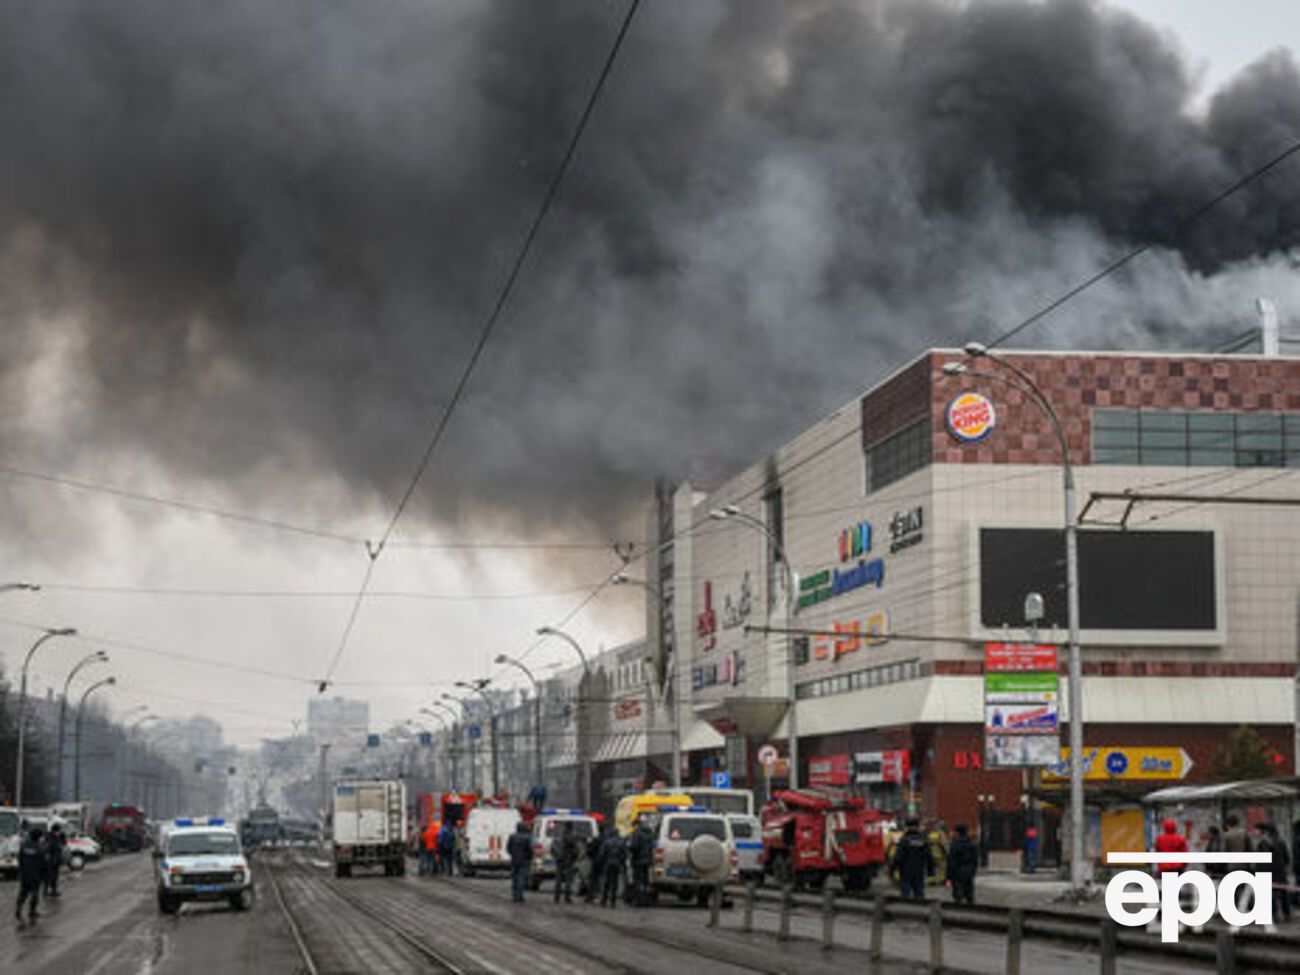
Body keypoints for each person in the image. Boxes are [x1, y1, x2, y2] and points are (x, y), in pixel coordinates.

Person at [1257, 822, 1291, 923]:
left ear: (1265, 832)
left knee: (1270, 895)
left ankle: (1274, 915)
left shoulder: (1263, 843)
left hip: (1268, 872)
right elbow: (1286, 858)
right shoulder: (1281, 842)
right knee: (1283, 893)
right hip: (1280, 871)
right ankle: (1286, 914)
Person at [892, 819, 931, 901]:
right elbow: (929, 856)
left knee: (906, 893)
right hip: (919, 870)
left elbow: (899, 856)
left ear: (907, 827)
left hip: (906, 871)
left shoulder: (904, 840)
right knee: (919, 892)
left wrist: (893, 868)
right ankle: (920, 910)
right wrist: (931, 870)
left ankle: (906, 910)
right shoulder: (923, 840)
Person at [15, 827, 46, 924]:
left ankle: (18, 910)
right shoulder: (40, 848)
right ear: (38, 837)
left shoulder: (24, 846)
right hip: (35, 875)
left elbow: (19, 859)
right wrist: (44, 876)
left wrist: (21, 871)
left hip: (25, 874)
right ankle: (32, 911)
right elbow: (43, 864)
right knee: (34, 894)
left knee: (23, 893)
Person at [946, 824, 978, 905]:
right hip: (968, 871)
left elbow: (951, 861)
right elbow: (975, 859)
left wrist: (949, 876)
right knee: (969, 892)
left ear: (957, 833)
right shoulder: (971, 844)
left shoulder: (955, 844)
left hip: (957, 872)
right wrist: (973, 871)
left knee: (958, 894)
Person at [506, 820, 533, 903]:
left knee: (514, 878)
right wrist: (529, 857)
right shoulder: (527, 837)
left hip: (514, 860)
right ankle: (520, 896)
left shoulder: (512, 836)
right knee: (521, 878)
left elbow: (508, 848)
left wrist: (512, 854)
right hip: (524, 861)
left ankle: (514, 895)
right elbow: (529, 850)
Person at [628, 819, 654, 907]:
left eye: (633, 826)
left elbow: (635, 847)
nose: (633, 828)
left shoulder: (637, 834)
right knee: (645, 881)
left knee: (637, 881)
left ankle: (638, 900)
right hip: (647, 861)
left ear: (637, 825)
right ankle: (646, 900)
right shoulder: (650, 834)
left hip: (638, 860)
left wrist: (629, 847)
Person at [553, 822, 578, 904]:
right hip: (568, 859)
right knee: (568, 880)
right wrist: (574, 858)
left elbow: (552, 848)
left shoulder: (558, 836)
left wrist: (556, 856)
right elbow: (575, 849)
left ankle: (556, 897)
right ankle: (567, 897)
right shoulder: (572, 836)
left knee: (558, 879)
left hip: (559, 860)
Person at [601, 831, 627, 908]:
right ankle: (613, 901)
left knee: (607, 882)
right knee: (614, 882)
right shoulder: (621, 843)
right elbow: (625, 854)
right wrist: (621, 862)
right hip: (616, 864)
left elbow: (602, 853)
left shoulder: (606, 842)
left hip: (608, 863)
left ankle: (604, 900)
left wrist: (603, 862)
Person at [586, 825, 608, 904]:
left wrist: (591, 856)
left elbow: (590, 850)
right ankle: (602, 896)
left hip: (596, 861)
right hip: (605, 862)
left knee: (593, 880)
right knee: (602, 879)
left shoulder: (596, 839)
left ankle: (591, 896)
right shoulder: (607, 839)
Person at [44, 825, 64, 898]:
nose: (59, 832)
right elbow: (47, 849)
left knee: (54, 876)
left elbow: (62, 845)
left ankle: (53, 890)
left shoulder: (56, 838)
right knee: (50, 876)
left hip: (56, 860)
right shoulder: (50, 838)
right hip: (51, 861)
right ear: (55, 831)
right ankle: (47, 891)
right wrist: (50, 859)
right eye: (59, 831)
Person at [928, 820, 949, 886]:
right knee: (942, 868)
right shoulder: (940, 834)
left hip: (931, 854)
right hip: (940, 854)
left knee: (932, 868)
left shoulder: (930, 834)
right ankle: (942, 880)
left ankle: (931, 881)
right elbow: (943, 844)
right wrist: (947, 852)